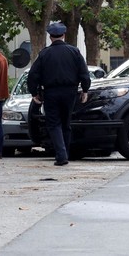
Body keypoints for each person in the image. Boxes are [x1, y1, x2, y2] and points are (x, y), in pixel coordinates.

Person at [27, 22, 91, 166]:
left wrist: (34, 92)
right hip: (70, 92)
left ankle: (61, 155)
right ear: (64, 35)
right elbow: (84, 72)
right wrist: (85, 90)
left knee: (54, 124)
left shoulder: (44, 53)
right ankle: (65, 153)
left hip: (51, 92)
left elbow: (33, 75)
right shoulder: (74, 51)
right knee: (66, 123)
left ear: (50, 37)